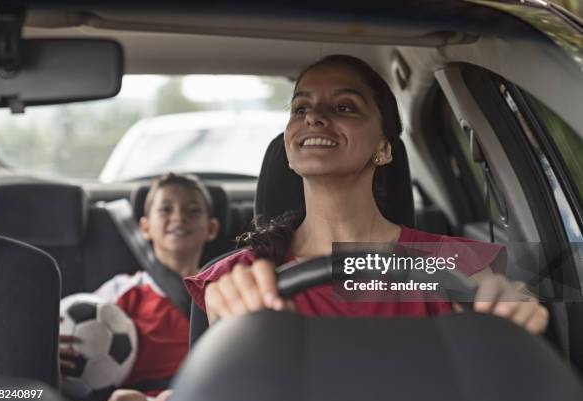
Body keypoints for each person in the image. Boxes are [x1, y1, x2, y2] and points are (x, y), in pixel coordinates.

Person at [185, 54, 548, 334]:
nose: (313, 117)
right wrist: (229, 314)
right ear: (289, 149)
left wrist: (514, 306)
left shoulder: (449, 259)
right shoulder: (238, 278)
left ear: (384, 148)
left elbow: (508, 294)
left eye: (343, 106)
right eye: (300, 108)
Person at [59, 173, 220, 401]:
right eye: (165, 210)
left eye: (192, 211)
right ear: (145, 228)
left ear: (212, 228)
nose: (179, 217)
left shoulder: (222, 289)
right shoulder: (122, 291)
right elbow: (67, 330)